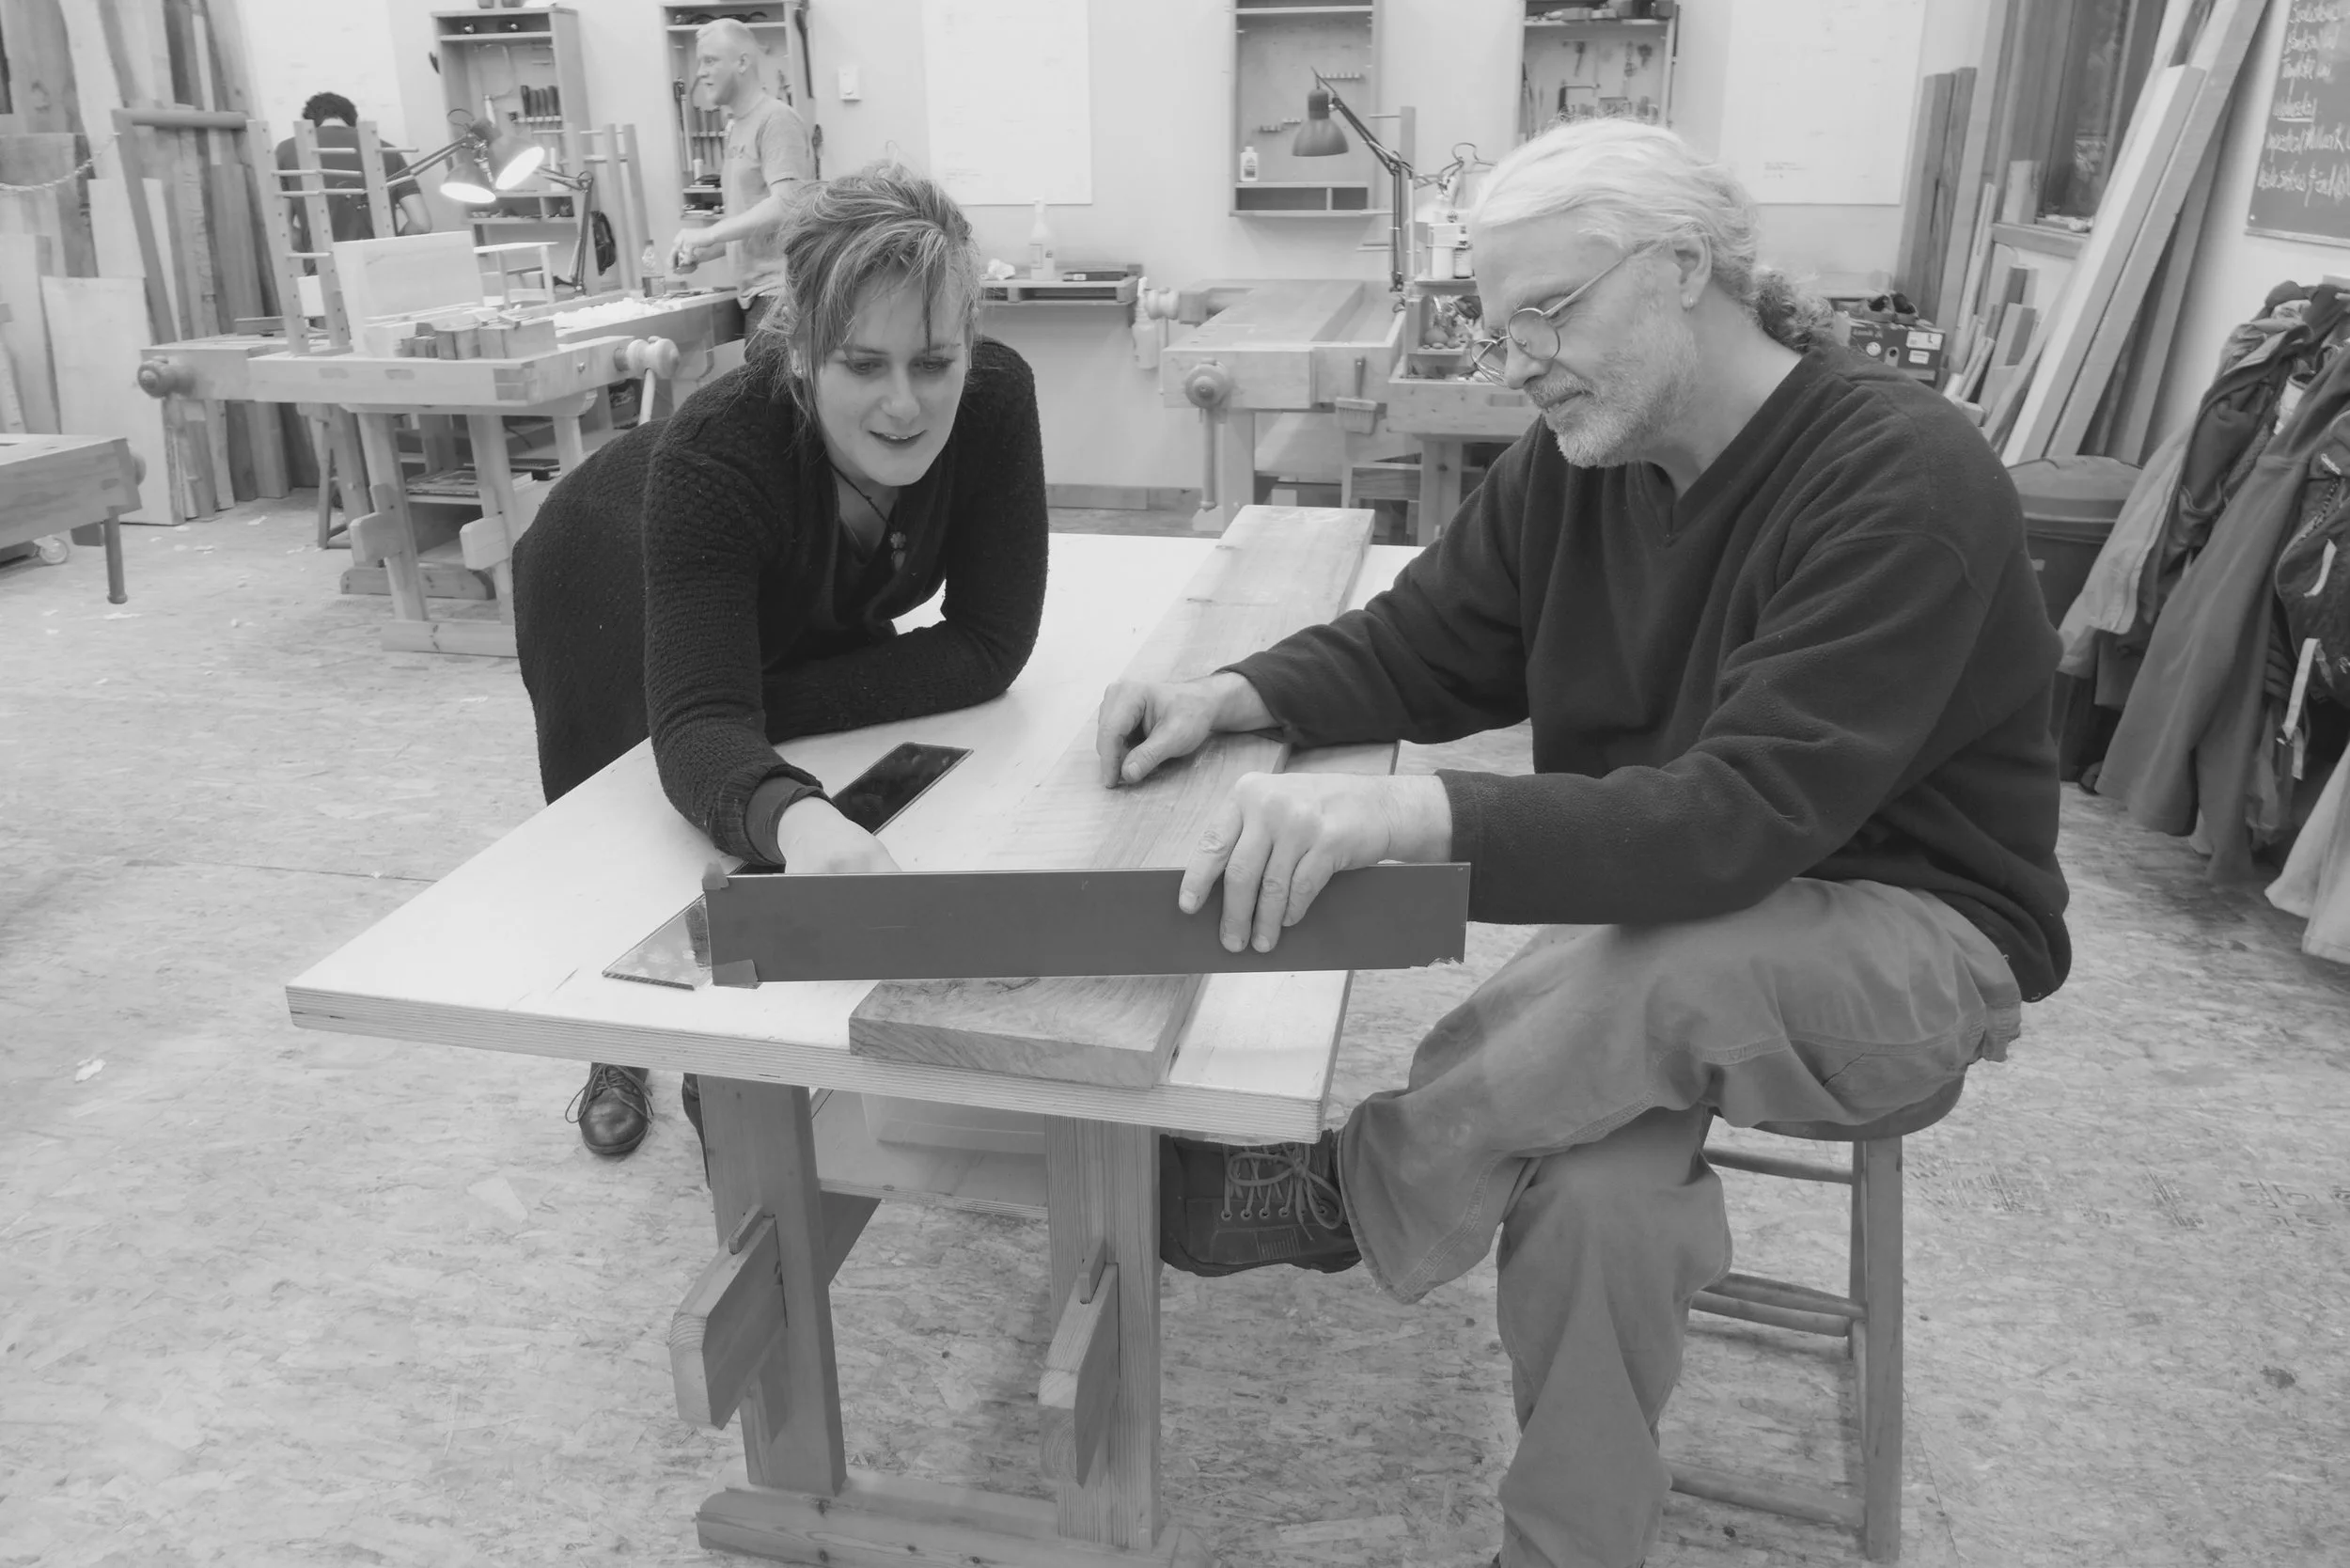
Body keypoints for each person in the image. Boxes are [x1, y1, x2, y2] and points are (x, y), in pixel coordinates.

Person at [1096, 120, 2070, 1568]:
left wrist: (1409, 812)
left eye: (1547, 313)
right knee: (1595, 1191)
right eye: (1499, 333)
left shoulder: (1902, 476)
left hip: (1913, 936)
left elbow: (1736, 820)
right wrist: (1239, 694)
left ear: (1685, 269)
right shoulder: (1581, 461)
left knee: (1655, 977)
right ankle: (1572, 1545)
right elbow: (1433, 640)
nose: (1521, 361)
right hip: (1672, 921)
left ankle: (1352, 1189)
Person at [515, 165, 1048, 1159]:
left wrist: (744, 720)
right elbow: (691, 735)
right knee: (636, 836)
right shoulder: (720, 452)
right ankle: (622, 1042)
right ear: (800, 353)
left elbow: (987, 645)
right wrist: (775, 791)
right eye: (862, 364)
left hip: (779, 591)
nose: (905, 404)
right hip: (608, 560)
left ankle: (738, 1059)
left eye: (934, 362)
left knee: (734, 767)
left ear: (968, 345)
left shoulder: (994, 401)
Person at [670, 17, 816, 334]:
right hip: (755, 298)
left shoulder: (776, 120)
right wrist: (701, 252)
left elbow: (786, 204)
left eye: (710, 60)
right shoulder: (737, 127)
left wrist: (709, 233)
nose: (700, 73)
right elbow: (750, 222)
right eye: (700, 63)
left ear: (742, 62)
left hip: (778, 299)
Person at [272, 91, 431, 253]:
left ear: (308, 122)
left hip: (324, 269)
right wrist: (389, 247)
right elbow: (421, 223)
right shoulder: (386, 150)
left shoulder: (287, 151)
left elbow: (282, 231)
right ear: (353, 121)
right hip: (381, 265)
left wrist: (312, 250)